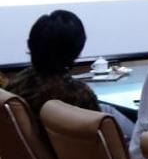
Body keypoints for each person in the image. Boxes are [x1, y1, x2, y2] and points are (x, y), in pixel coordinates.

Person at [6, 10, 134, 141]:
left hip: (40, 149)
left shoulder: (18, 82)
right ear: (77, 50)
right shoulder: (77, 94)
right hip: (75, 151)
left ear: (30, 44)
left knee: (107, 109)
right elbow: (99, 139)